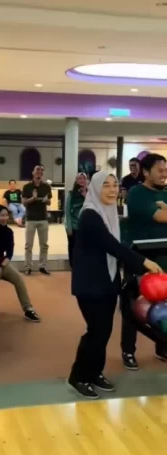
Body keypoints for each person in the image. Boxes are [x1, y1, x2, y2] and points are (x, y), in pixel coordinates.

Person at [68, 173, 161, 399]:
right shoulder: (90, 215)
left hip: (108, 282)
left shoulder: (109, 213)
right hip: (90, 284)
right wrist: (144, 262)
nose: (111, 190)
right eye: (106, 185)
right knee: (96, 331)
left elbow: (120, 242)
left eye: (115, 185)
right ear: (95, 189)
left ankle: (94, 371)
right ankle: (79, 376)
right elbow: (112, 246)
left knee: (104, 331)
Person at [119, 153, 167, 369]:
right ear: (146, 172)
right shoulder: (137, 193)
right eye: (160, 170)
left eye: (166, 170)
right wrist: (162, 211)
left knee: (163, 308)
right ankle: (128, 350)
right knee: (134, 307)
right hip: (140, 259)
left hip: (164, 259)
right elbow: (159, 217)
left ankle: (162, 346)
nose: (164, 174)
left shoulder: (164, 193)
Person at [0, 205, 39, 324]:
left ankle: (28, 309)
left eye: (6, 215)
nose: (5, 218)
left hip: (0, 262)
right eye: (1, 215)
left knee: (18, 278)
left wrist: (5, 262)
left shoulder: (8, 232)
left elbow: (10, 250)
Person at [22, 164, 52, 275]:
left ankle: (42, 266)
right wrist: (33, 198)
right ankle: (28, 267)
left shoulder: (46, 187)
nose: (39, 172)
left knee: (44, 244)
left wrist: (46, 201)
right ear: (33, 172)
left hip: (43, 218)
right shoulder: (27, 187)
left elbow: (49, 201)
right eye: (37, 170)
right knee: (28, 245)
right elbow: (24, 202)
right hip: (30, 219)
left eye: (41, 170)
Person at [64, 172, 88, 266]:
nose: (82, 180)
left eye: (84, 178)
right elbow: (67, 211)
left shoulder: (90, 193)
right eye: (79, 178)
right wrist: (68, 227)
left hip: (85, 225)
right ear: (76, 181)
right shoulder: (71, 194)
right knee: (73, 246)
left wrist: (85, 195)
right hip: (74, 225)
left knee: (85, 246)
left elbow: (92, 207)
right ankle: (73, 265)